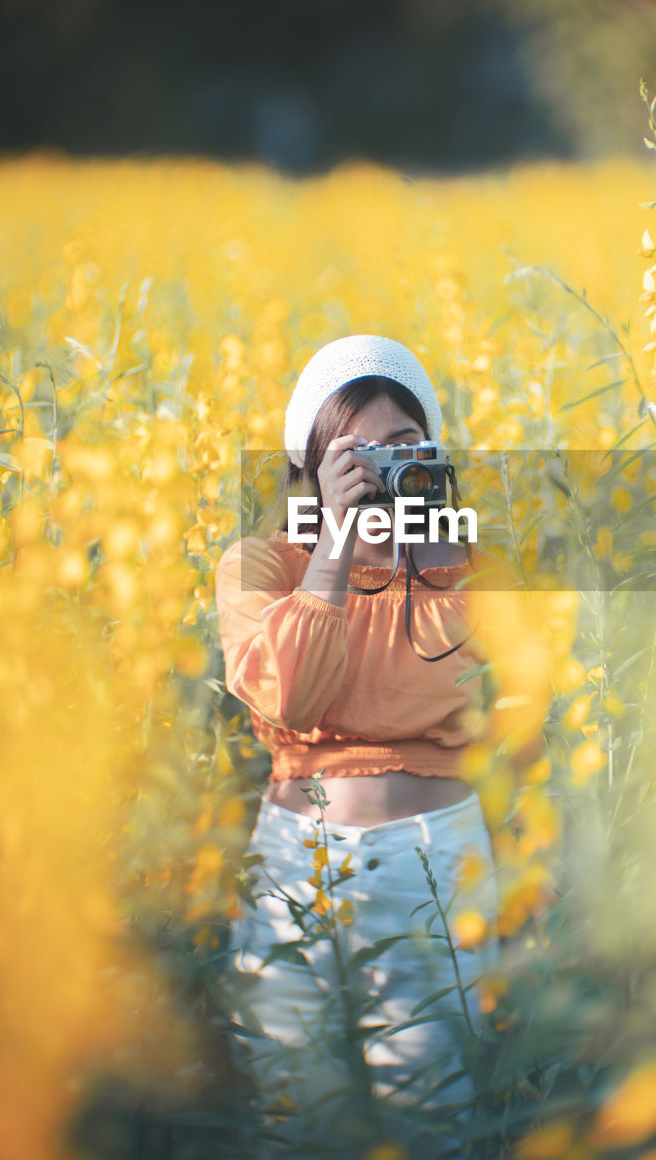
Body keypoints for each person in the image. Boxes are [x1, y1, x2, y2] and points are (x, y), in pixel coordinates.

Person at [215, 335, 500, 1159]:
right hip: (291, 861)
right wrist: (336, 547)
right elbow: (293, 697)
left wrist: (437, 552)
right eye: (359, 453)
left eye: (404, 449)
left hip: (434, 864)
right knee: (288, 1117)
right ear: (310, 467)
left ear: (436, 456)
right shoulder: (261, 566)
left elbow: (510, 717)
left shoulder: (469, 571)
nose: (382, 470)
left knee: (434, 1125)